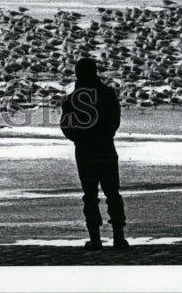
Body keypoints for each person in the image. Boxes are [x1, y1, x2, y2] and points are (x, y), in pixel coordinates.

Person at [60, 58, 129, 250]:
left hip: (84, 150)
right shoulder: (107, 93)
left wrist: (78, 139)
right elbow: (115, 118)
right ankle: (118, 237)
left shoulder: (72, 97)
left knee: (90, 195)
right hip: (106, 147)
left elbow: (66, 125)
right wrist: (107, 134)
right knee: (112, 192)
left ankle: (95, 239)